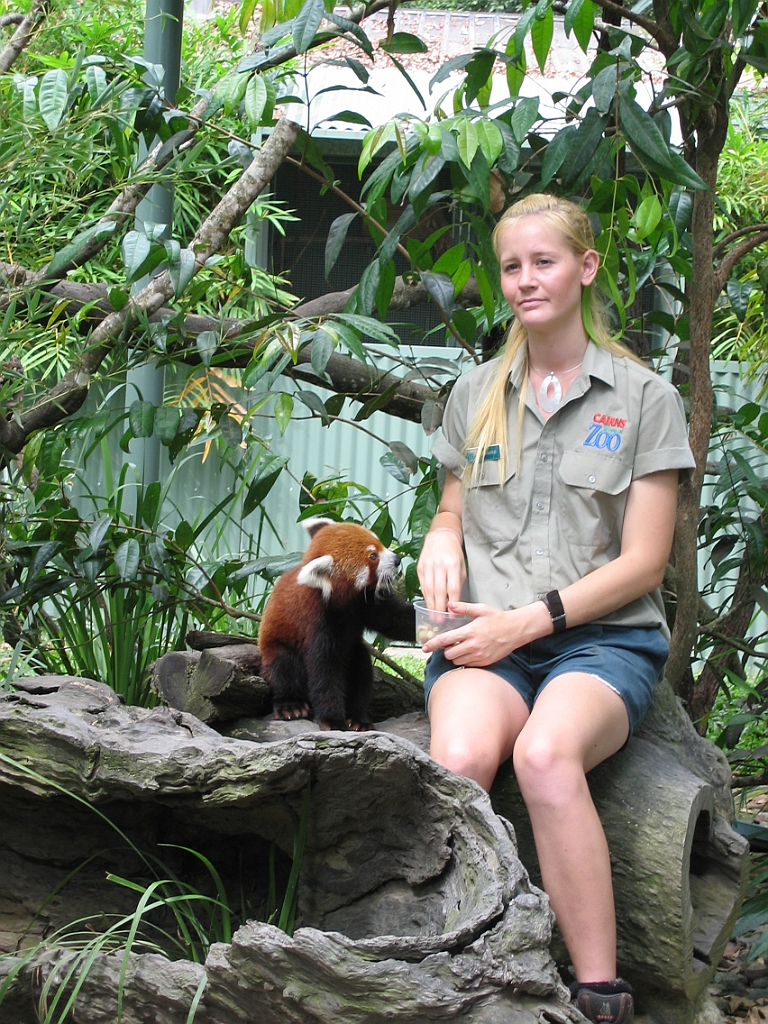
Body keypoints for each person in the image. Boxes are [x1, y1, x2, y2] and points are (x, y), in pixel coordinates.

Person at [416, 193, 695, 1024]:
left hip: (601, 645)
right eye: (511, 265)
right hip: (485, 637)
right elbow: (452, 507)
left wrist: (529, 622)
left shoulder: (644, 398)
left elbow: (644, 561)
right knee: (459, 759)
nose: (525, 280)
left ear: (586, 267)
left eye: (544, 261)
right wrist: (439, 535)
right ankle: (445, 965)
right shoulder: (477, 392)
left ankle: (601, 988)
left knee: (543, 757)